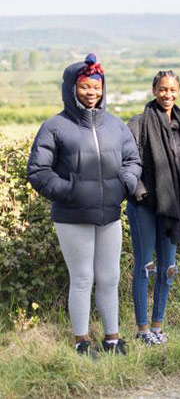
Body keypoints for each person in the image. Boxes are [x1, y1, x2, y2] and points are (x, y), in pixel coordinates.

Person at [27, 54, 142, 356]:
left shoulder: (116, 126)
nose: (92, 93)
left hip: (110, 216)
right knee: (82, 278)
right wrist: (70, 190)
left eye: (97, 87)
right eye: (84, 87)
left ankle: (113, 339)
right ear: (71, 89)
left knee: (110, 277)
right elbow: (39, 172)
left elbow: (132, 160)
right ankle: (81, 342)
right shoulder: (55, 127)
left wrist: (124, 183)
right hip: (72, 216)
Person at [126, 70, 180, 345]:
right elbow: (126, 164)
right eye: (162, 89)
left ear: (178, 91)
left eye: (173, 90)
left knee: (168, 268)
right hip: (145, 205)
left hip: (174, 207)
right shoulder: (138, 124)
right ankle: (142, 330)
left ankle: (158, 327)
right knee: (145, 266)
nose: (168, 95)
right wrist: (140, 192)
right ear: (153, 91)